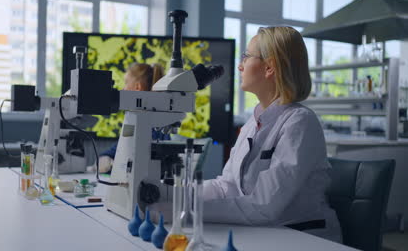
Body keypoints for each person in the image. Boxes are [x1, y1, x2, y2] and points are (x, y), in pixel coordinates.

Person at [201, 26, 342, 242]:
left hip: (303, 239)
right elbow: (226, 186)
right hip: (265, 232)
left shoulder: (300, 122)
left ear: (269, 67)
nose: (240, 65)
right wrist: (175, 194)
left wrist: (191, 208)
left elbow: (263, 205)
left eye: (246, 57)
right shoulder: (252, 123)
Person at [87, 63, 170, 173]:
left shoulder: (152, 128)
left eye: (126, 83)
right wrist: (106, 159)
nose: (122, 88)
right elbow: (117, 150)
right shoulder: (133, 122)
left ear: (137, 87)